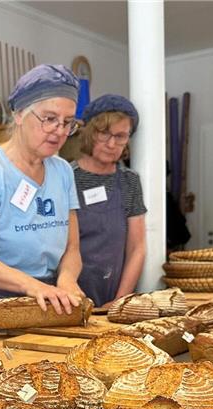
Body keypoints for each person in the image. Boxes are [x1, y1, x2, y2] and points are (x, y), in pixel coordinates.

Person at [0, 64, 84, 337]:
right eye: (49, 118)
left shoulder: (63, 171)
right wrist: (31, 285)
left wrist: (67, 279)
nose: (59, 131)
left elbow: (72, 247)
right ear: (19, 114)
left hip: (51, 302)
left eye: (68, 122)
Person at [72, 94, 146, 306]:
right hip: (70, 297)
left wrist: (119, 301)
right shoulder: (65, 177)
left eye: (120, 136)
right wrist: (75, 298)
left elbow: (137, 248)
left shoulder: (130, 181)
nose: (112, 144)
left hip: (114, 296)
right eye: (104, 134)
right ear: (89, 132)